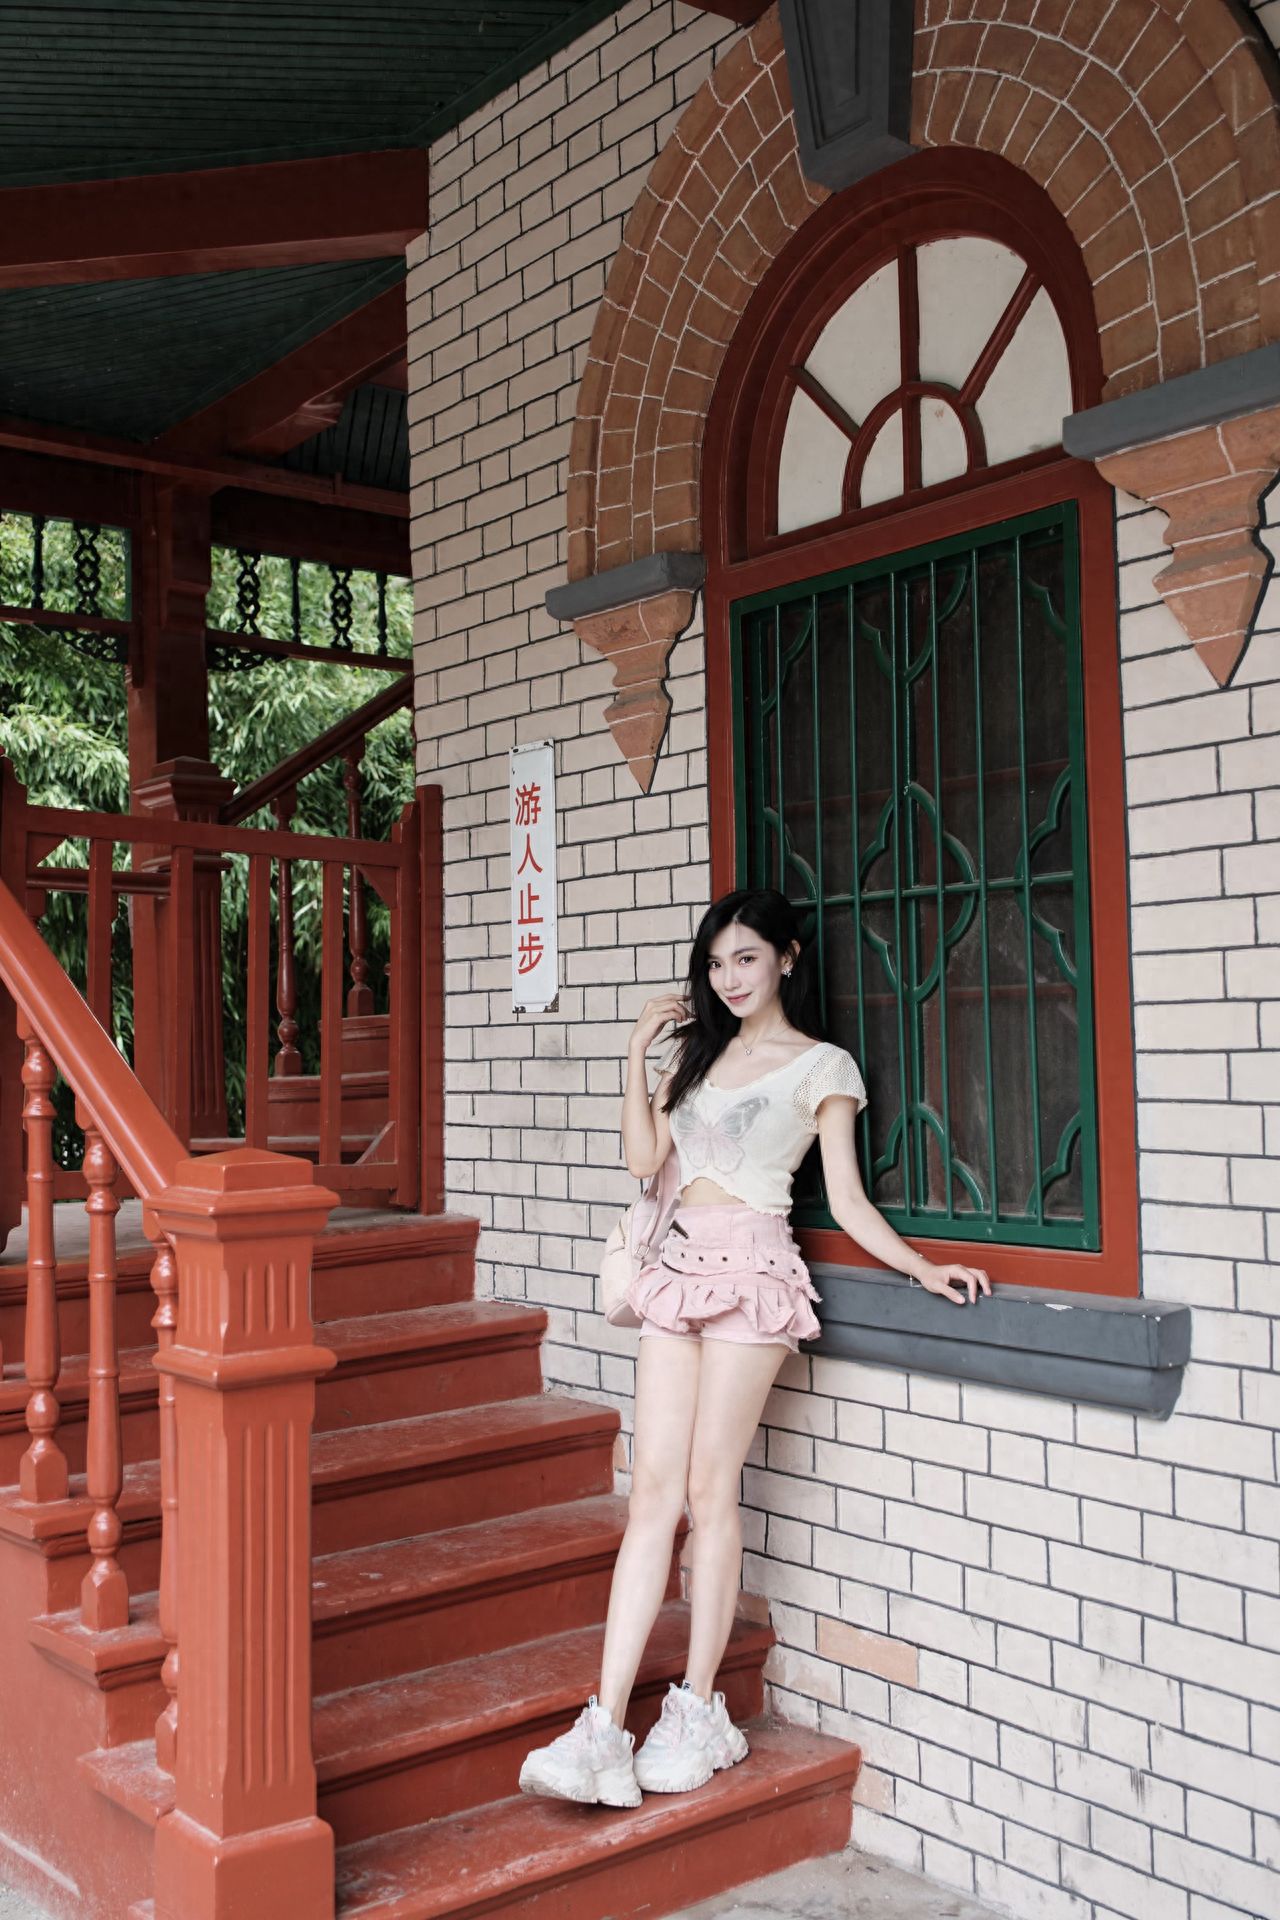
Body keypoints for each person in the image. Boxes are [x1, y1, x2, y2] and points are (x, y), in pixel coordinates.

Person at [519, 888, 990, 1807]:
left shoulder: (823, 1066)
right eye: (716, 962)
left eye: (746, 958)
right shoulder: (699, 1057)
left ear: (788, 958)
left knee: (708, 1489)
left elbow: (847, 1202)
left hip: (754, 1275)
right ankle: (605, 1727)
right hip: (677, 1274)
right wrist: (635, 1058)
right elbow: (641, 1161)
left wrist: (923, 1268)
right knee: (649, 1498)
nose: (729, 978)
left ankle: (697, 1711)